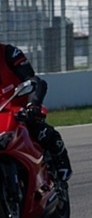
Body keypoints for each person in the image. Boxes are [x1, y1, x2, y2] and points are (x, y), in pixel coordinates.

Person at [0, 43, 72, 181]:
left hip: (19, 109)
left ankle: (60, 159)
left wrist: (33, 105)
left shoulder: (9, 53)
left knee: (38, 128)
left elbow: (33, 80)